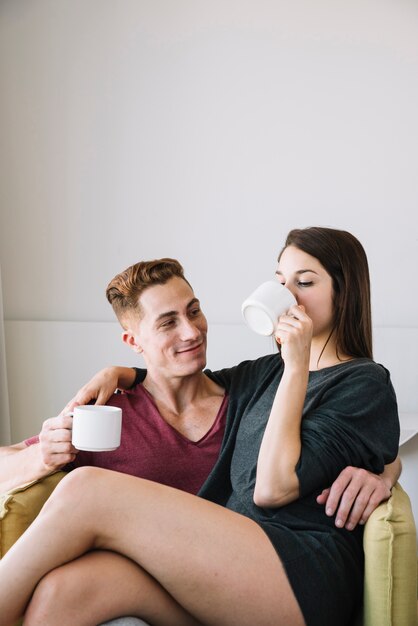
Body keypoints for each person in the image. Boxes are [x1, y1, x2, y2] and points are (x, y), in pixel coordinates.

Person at [0, 227, 400, 626]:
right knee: (67, 592)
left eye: (305, 283)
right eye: (280, 283)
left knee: (86, 489)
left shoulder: (361, 380)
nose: (288, 298)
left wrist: (383, 471)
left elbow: (272, 488)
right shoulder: (263, 375)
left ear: (343, 291)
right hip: (232, 568)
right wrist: (119, 372)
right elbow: (181, 379)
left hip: (302, 573)